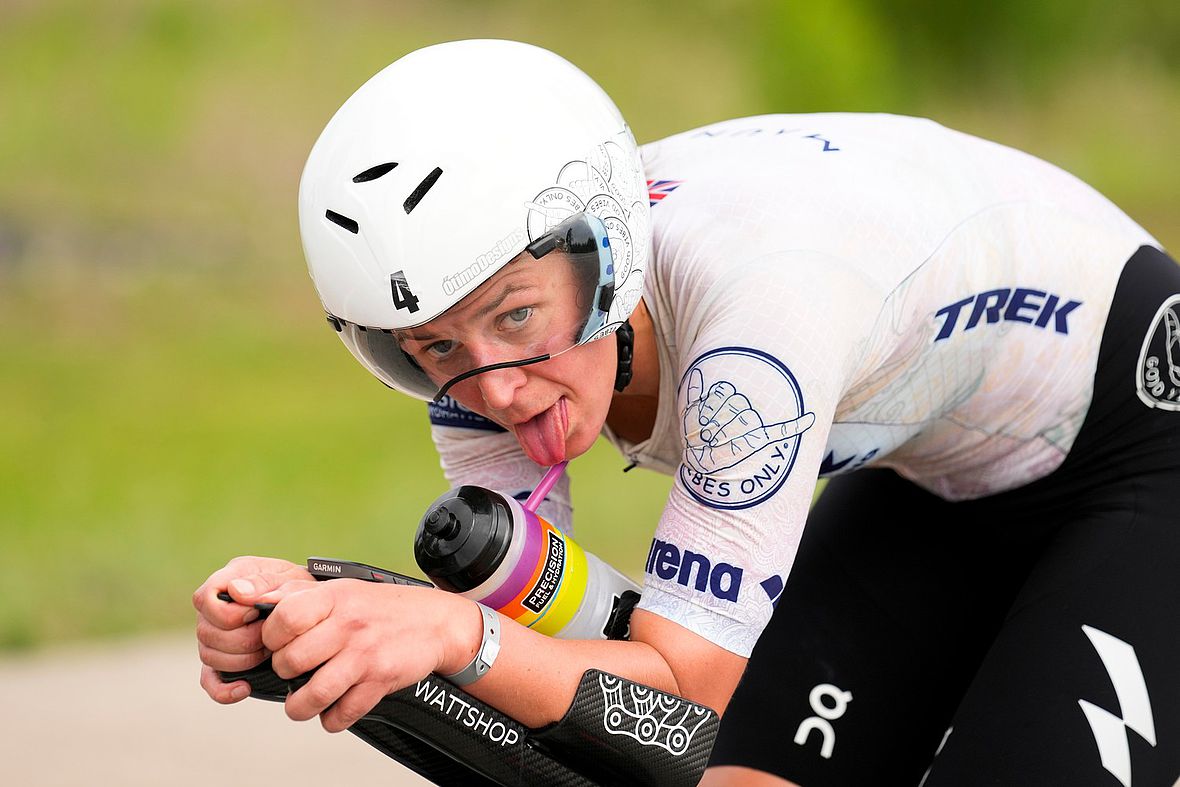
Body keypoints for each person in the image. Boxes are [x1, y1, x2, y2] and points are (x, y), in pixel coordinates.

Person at [192, 38, 1180, 786]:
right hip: (935, 473)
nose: (493, 389)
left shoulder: (756, 329)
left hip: (1141, 448)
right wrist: (322, 610)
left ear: (609, 254)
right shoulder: (483, 341)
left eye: (514, 318)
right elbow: (563, 646)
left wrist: (447, 640)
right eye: (432, 348)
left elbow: (683, 685)